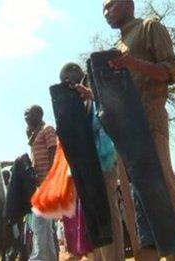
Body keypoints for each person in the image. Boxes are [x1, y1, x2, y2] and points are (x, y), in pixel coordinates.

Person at [76, 1, 175, 260]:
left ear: (129, 4)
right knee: (133, 202)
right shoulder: (116, 50)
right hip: (125, 135)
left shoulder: (150, 28)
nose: (107, 13)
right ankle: (146, 255)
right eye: (103, 10)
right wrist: (91, 95)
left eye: (110, 5)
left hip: (150, 124)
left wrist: (133, 63)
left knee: (162, 189)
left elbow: (171, 70)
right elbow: (114, 100)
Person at [61, 63, 124, 261]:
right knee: (95, 213)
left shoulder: (94, 83)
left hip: (106, 158)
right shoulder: (82, 97)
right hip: (91, 162)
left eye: (66, 82)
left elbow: (113, 107)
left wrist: (89, 95)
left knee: (107, 210)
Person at [24, 105, 58, 261]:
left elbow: (53, 150)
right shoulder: (36, 133)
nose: (25, 116)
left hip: (46, 183)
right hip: (41, 185)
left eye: (28, 113)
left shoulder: (47, 129)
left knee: (39, 226)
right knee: (46, 229)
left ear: (38, 114)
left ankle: (37, 258)